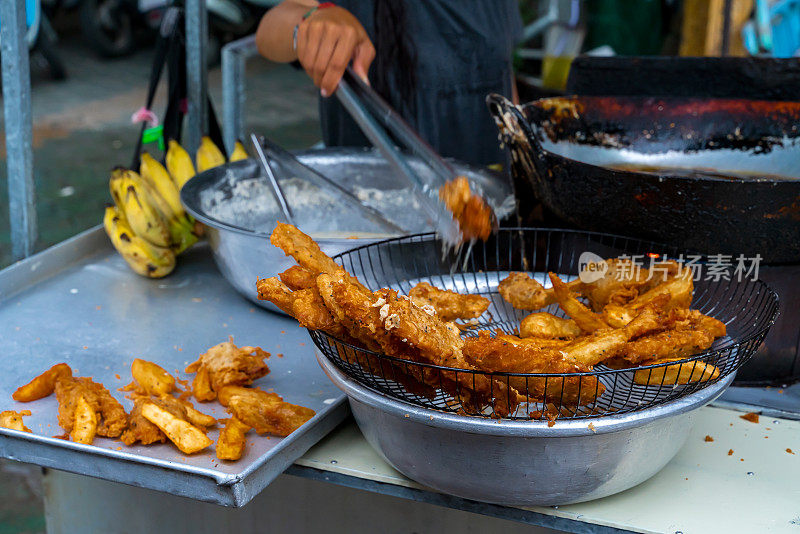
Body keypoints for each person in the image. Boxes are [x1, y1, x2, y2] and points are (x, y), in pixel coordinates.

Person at [256, 0, 522, 167]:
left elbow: (502, 71)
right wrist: (312, 19)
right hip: (369, 212)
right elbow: (270, 30)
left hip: (491, 202)